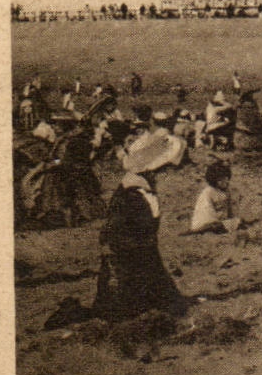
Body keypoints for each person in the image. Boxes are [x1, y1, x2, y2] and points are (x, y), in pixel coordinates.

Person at [93, 131, 188, 321]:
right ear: (150, 171)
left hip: (133, 252)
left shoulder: (133, 189)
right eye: (162, 169)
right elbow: (127, 232)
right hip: (128, 256)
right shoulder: (135, 195)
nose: (163, 173)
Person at [188, 159, 236, 234]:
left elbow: (229, 209)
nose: (225, 182)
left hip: (221, 222)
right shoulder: (208, 192)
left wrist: (231, 219)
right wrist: (216, 221)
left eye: (226, 178)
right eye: (220, 180)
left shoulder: (226, 191)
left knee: (237, 222)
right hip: (207, 222)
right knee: (213, 226)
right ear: (214, 180)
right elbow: (206, 211)